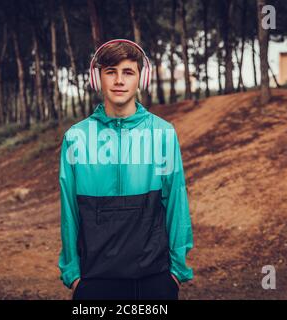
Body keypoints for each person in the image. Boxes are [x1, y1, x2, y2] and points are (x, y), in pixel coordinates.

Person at [58, 39, 194, 300]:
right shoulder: (75, 138)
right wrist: (73, 275)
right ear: (97, 79)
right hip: (94, 279)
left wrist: (176, 272)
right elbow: (69, 210)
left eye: (128, 72)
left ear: (141, 79)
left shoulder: (163, 134)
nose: (119, 80)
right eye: (111, 72)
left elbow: (177, 202)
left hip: (154, 278)